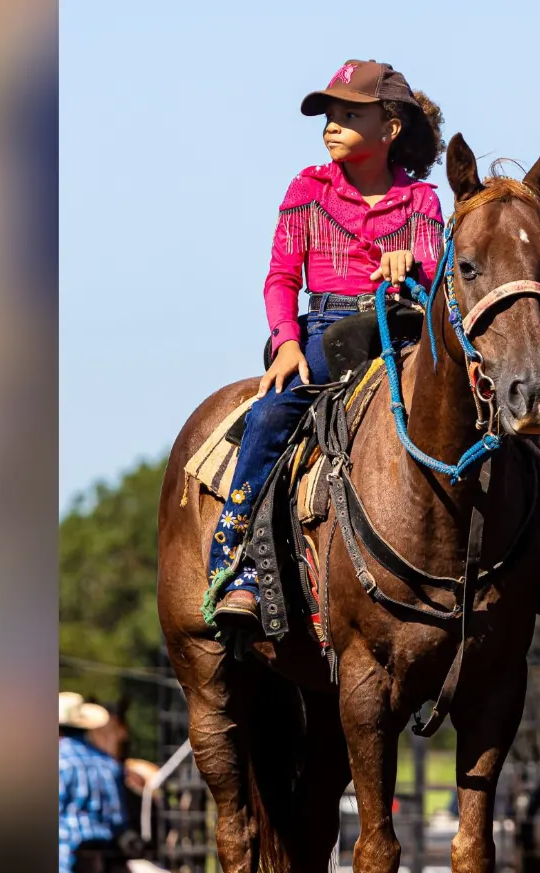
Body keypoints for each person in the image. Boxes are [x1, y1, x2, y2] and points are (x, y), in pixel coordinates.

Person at [208, 60, 448, 627]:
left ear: (389, 129)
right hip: (325, 332)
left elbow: (441, 278)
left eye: (348, 114)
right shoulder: (307, 190)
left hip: (405, 330)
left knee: (492, 408)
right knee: (269, 417)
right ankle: (237, 564)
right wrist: (286, 343)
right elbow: (280, 279)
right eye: (329, 116)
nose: (331, 126)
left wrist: (413, 263)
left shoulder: (423, 202)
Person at [57, 692, 128, 873]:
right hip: (101, 845)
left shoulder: (59, 759)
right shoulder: (108, 763)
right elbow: (119, 819)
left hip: (65, 847)